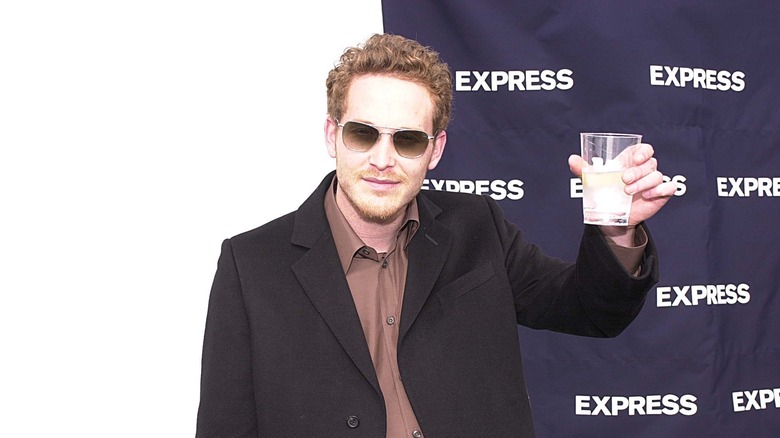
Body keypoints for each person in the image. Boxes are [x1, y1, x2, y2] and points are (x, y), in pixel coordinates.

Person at [195, 33, 677, 438]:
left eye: (406, 140)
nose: (383, 159)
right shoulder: (251, 264)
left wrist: (615, 227)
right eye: (363, 134)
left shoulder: (478, 228)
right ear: (331, 135)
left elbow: (591, 310)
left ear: (436, 150)